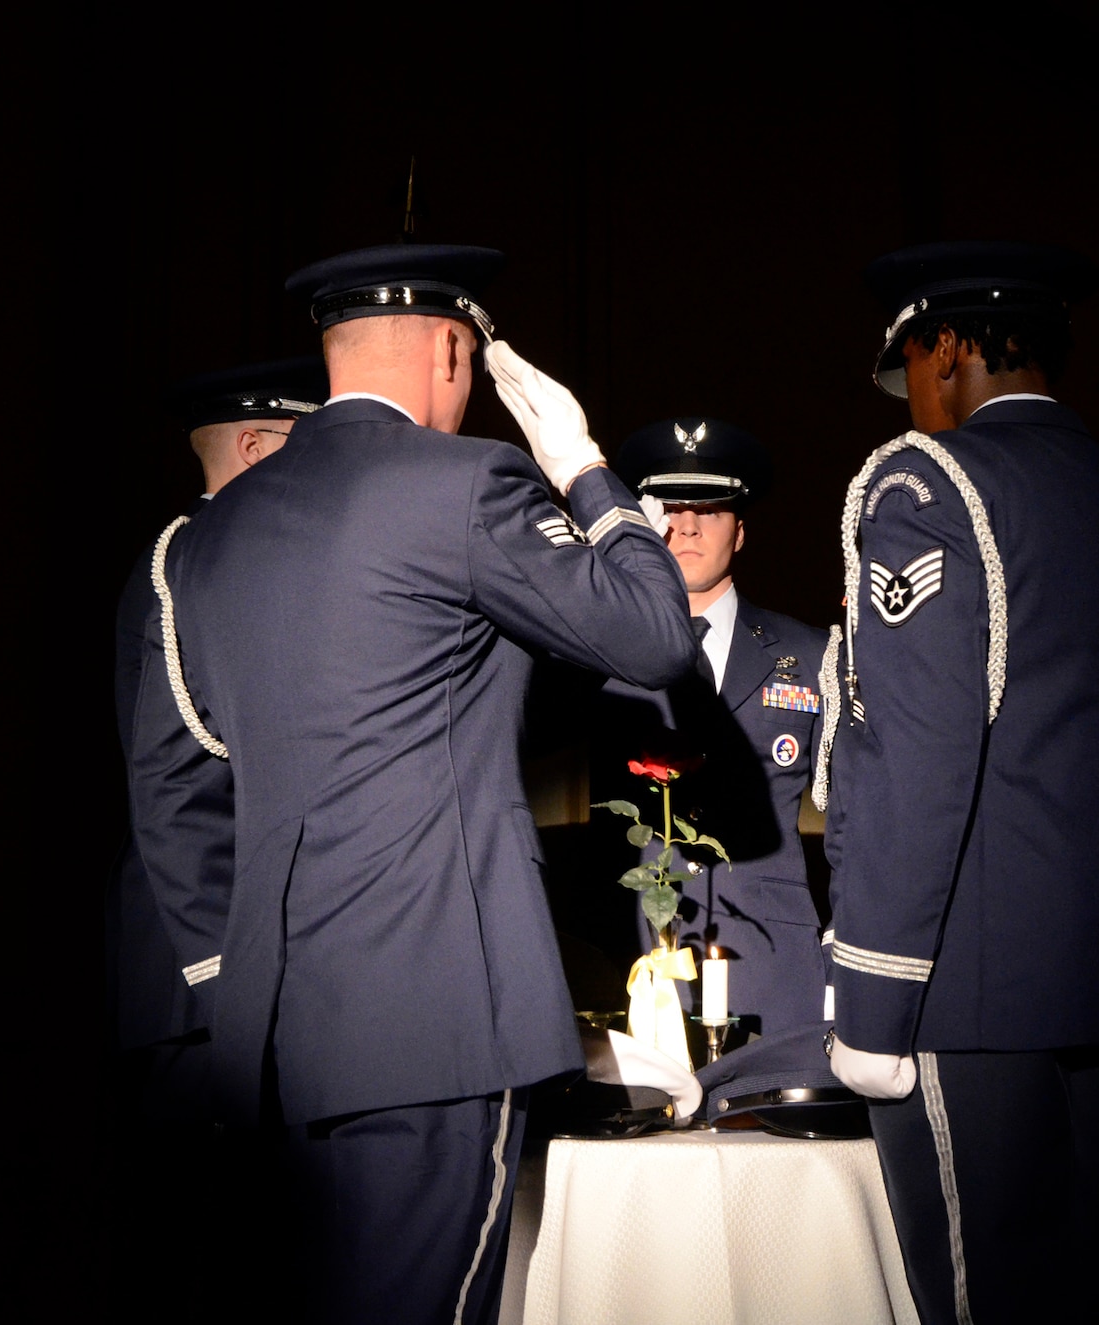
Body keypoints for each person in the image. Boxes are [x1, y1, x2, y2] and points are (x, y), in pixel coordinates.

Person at [168, 243, 693, 1322]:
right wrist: (584, 468)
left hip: (271, 1029)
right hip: (430, 1011)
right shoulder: (465, 484)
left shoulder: (213, 534)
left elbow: (214, 751)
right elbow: (649, 636)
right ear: (453, 350)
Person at [821, 242, 1099, 1324]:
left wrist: (875, 998)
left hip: (979, 987)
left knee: (992, 1299)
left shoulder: (925, 482)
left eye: (911, 368)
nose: (913, 401)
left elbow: (914, 753)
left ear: (942, 348)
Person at [104, 357, 324, 1310]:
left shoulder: (248, 568)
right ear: (250, 447)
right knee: (201, 1256)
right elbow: (173, 785)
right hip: (205, 977)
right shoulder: (188, 564)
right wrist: (224, 974)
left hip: (251, 973)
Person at [600, 417, 832, 1036]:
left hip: (775, 972)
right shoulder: (598, 655)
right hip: (638, 965)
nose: (688, 526)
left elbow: (858, 821)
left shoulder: (812, 654)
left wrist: (847, 960)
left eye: (712, 507)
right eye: (671, 507)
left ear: (741, 530)